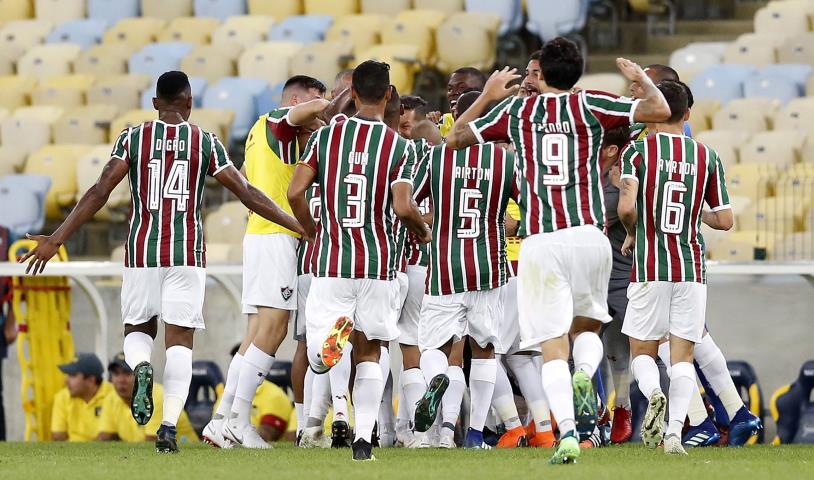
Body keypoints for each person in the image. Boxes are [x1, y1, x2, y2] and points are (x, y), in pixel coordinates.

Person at [21, 70, 304, 453]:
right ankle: (168, 425)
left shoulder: (133, 137)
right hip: (186, 254)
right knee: (180, 342)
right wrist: (299, 225)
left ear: (155, 103)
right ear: (189, 102)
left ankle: (140, 366)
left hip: (141, 252)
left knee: (138, 329)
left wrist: (57, 238)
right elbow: (248, 193)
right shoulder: (205, 141)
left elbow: (101, 189)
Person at [446, 37, 670, 464]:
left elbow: (456, 138)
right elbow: (659, 110)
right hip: (589, 235)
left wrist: (489, 96)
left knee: (551, 345)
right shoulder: (591, 105)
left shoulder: (516, 111)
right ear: (577, 74)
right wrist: (641, 78)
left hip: (541, 241)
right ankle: (585, 375)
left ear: (542, 73)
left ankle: (567, 433)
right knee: (586, 329)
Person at [287, 60, 431, 461]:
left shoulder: (327, 138)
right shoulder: (399, 147)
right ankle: (364, 439)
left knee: (320, 348)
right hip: (380, 265)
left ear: (352, 93)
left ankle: (323, 353)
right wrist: (420, 228)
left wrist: (315, 230)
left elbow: (296, 193)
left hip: (332, 260)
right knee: (372, 351)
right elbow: (403, 207)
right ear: (388, 96)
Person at [202, 75, 329, 450]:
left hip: (259, 235)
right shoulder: (277, 119)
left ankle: (221, 420)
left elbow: (247, 181)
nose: (318, 105)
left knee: (254, 334)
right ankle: (240, 421)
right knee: (272, 331)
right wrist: (328, 105)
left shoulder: (261, 133)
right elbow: (318, 110)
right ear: (295, 99)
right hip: (276, 237)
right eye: (313, 97)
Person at [617, 80, 735, 455]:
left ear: (655, 110)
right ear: (686, 114)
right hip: (691, 266)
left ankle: (654, 394)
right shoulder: (707, 156)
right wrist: (691, 208)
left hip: (651, 265)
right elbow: (725, 220)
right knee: (684, 355)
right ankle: (673, 436)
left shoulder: (637, 151)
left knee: (643, 353)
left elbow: (625, 207)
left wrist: (632, 232)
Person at [411, 101, 517, 450]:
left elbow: (408, 201)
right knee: (485, 351)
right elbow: (532, 207)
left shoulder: (437, 159)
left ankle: (437, 378)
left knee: (433, 347)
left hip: (444, 268)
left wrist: (422, 229)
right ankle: (473, 435)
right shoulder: (504, 161)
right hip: (489, 267)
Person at [100, 353, 198, 443]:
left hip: (184, 454)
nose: (121, 380)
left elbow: (152, 442)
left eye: (127, 373)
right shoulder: (111, 398)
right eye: (116, 374)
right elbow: (105, 438)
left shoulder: (158, 396)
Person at [51, 353, 114, 441]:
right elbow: (58, 436)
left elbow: (112, 437)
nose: (66, 381)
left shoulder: (114, 395)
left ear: (91, 380)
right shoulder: (62, 396)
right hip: (71, 452)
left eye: (72, 375)